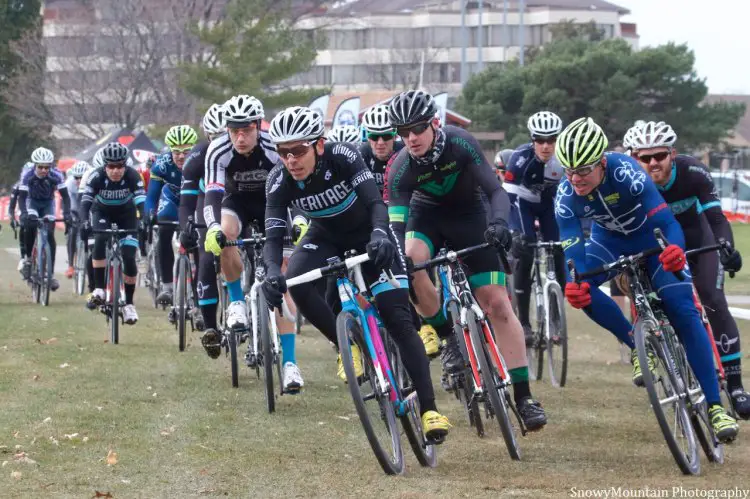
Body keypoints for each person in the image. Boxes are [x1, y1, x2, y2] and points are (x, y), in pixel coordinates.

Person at [262, 105, 451, 440]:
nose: (291, 160)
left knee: (397, 318)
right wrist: (272, 272)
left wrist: (380, 234)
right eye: (283, 152)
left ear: (319, 145)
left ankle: (429, 409)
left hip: (370, 232)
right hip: (325, 237)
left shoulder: (344, 156)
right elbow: (274, 233)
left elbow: (377, 203)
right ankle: (345, 345)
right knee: (297, 283)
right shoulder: (278, 180)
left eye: (299, 150)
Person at [556, 117, 739, 441]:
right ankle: (638, 346)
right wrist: (575, 281)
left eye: (583, 170)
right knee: (581, 289)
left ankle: (715, 406)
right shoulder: (566, 195)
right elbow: (573, 248)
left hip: (651, 239)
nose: (575, 178)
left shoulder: (626, 172)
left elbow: (668, 223)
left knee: (682, 308)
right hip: (608, 243)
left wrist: (674, 250)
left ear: (601, 162)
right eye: (568, 170)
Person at [386, 90, 547, 431]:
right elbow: (397, 227)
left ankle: (523, 396)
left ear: (434, 123)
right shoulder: (399, 167)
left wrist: (500, 224)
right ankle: (447, 338)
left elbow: (495, 191)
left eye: (417, 129)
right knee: (411, 263)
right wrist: (398, 257)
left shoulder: (461, 143)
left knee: (498, 304)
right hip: (426, 217)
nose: (411, 138)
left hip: (471, 215)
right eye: (403, 132)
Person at [631, 120, 750, 419]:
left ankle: (735, 386)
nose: (653, 163)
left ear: (673, 153)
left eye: (659, 155)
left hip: (697, 238)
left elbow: (716, 218)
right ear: (635, 158)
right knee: (661, 303)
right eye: (645, 158)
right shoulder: (629, 182)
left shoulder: (693, 172)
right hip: (657, 246)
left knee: (712, 297)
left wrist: (726, 248)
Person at [203, 95, 302, 392]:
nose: (240, 137)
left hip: (275, 203)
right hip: (238, 204)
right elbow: (212, 195)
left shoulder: (274, 146)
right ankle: (236, 301)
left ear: (259, 126)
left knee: (281, 276)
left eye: (246, 129)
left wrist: (297, 220)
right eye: (234, 130)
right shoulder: (218, 150)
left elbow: (296, 187)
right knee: (226, 233)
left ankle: (290, 363)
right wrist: (212, 228)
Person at [504, 111, 567, 345]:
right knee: (525, 248)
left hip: (549, 203)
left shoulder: (563, 159)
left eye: (551, 140)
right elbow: (508, 195)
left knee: (560, 247)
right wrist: (508, 227)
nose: (546, 146)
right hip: (523, 203)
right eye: (540, 140)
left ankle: (556, 316)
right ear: (532, 140)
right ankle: (524, 322)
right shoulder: (519, 159)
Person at [79, 143, 145, 324]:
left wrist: (144, 220)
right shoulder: (96, 176)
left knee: (129, 257)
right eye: (111, 166)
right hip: (102, 213)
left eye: (120, 166)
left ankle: (129, 304)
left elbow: (141, 201)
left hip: (127, 215)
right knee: (100, 238)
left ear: (126, 165)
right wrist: (84, 222)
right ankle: (99, 288)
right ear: (104, 166)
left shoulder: (133, 175)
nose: (116, 171)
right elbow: (85, 203)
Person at [179, 103, 225, 357]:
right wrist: (185, 227)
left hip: (236, 203)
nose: (219, 143)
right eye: (214, 138)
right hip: (206, 203)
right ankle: (210, 328)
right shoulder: (197, 157)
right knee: (207, 258)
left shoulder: (242, 152)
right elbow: (186, 202)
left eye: (223, 137)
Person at [145, 125, 199, 305]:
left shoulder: (202, 161)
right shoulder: (161, 164)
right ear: (170, 150)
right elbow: (152, 195)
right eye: (176, 152)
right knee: (164, 233)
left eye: (186, 151)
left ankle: (200, 288)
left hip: (194, 200)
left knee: (198, 239)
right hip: (172, 200)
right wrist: (149, 213)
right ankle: (167, 286)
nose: (181, 156)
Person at [17, 147, 72, 290]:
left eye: (46, 167)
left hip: (48, 203)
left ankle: (50, 274)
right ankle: (28, 258)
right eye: (40, 167)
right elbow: (22, 197)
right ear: (35, 165)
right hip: (32, 202)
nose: (43, 170)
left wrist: (66, 214)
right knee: (30, 225)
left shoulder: (56, 175)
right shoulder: (27, 175)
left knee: (49, 233)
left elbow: (65, 197)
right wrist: (23, 213)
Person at [64, 161, 91, 279]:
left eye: (82, 177)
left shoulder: (92, 180)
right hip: (75, 205)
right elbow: (71, 204)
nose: (79, 180)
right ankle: (70, 265)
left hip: (88, 204)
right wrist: (73, 217)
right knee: (73, 231)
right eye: (77, 178)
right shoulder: (70, 184)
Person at [9, 162, 35, 273]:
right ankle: (23, 256)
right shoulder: (18, 186)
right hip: (24, 211)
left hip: (36, 209)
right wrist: (12, 219)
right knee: (23, 226)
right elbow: (12, 206)